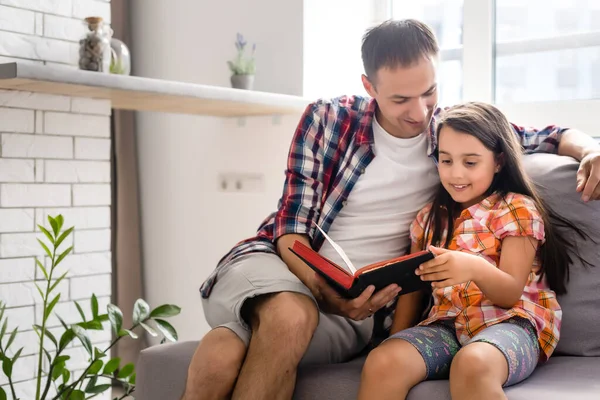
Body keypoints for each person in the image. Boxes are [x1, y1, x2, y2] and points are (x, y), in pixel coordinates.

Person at [182, 19, 600, 400]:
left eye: (429, 92)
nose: (419, 112)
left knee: (223, 350)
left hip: (358, 301)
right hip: (280, 262)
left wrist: (591, 149)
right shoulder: (329, 120)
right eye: (401, 98)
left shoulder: (449, 131)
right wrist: (328, 294)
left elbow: (540, 136)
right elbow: (291, 232)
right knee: (289, 315)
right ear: (369, 86)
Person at [357, 102, 590, 400]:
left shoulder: (516, 209)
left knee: (472, 364)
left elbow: (509, 293)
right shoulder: (428, 220)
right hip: (446, 327)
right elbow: (411, 294)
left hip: (512, 323)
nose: (456, 174)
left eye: (470, 163)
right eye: (446, 160)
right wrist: (392, 340)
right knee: (383, 362)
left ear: (498, 161)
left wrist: (473, 267)